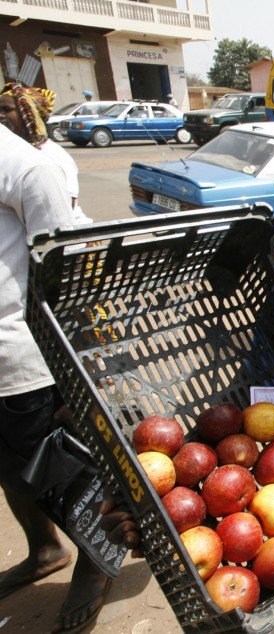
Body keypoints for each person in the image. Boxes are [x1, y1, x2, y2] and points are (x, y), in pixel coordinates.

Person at [0, 122, 114, 633]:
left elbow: (67, 276)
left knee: (57, 474)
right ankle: (45, 549)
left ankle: (97, 558)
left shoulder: (29, 167)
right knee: (8, 470)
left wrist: (83, 372)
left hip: (21, 359)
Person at [0, 83, 90, 226]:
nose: (1, 115)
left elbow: (62, 210)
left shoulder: (52, 156)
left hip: (74, 240)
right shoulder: (14, 152)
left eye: (6, 109)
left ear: (29, 114)